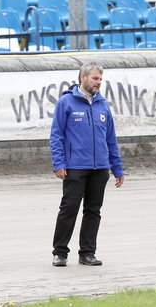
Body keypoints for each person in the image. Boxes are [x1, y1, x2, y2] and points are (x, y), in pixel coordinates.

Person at [50, 62, 124, 267]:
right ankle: (60, 252)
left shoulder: (103, 105)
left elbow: (111, 139)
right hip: (75, 167)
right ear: (83, 78)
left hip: (100, 168)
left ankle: (88, 253)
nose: (99, 82)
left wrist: (117, 167)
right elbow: (56, 136)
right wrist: (59, 163)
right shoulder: (66, 102)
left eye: (101, 79)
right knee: (69, 208)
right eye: (95, 78)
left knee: (93, 211)